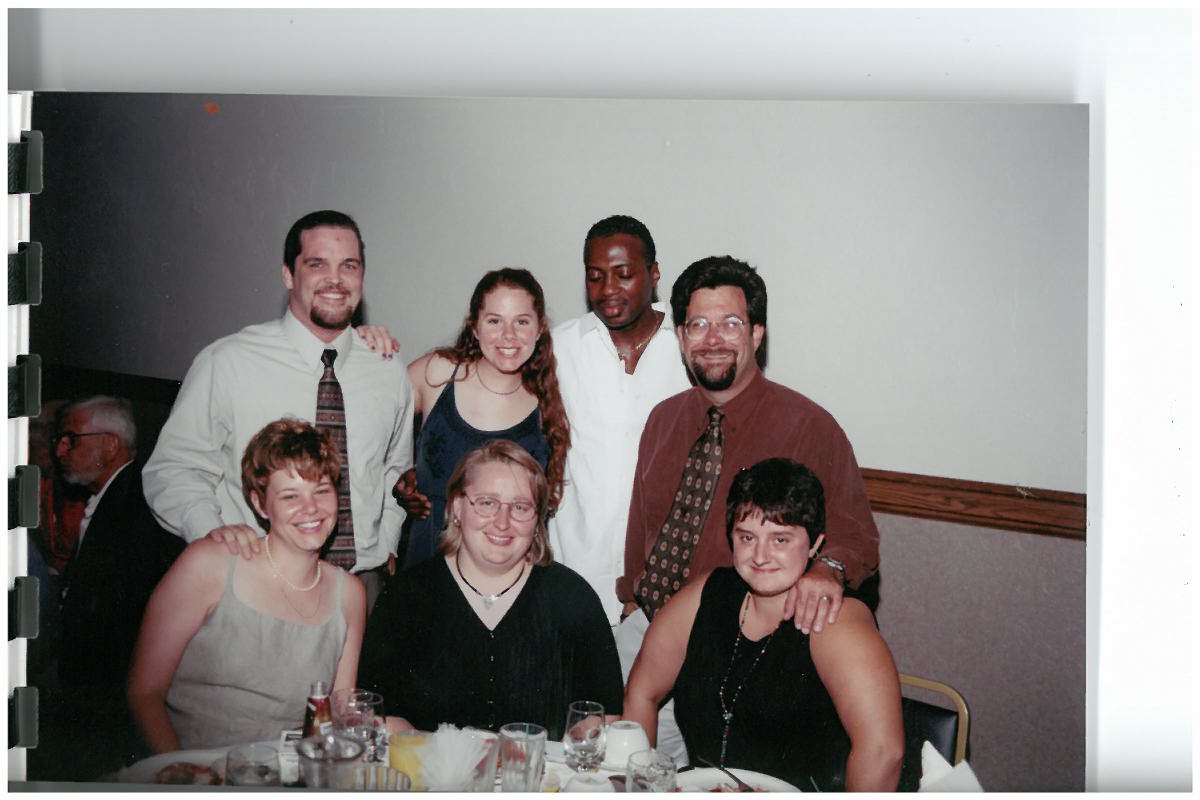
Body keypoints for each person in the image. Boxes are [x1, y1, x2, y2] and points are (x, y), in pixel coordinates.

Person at [615, 255, 881, 763]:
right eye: (698, 324)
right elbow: (643, 523)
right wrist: (631, 597)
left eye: (730, 323)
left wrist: (828, 568)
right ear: (681, 337)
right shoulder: (663, 420)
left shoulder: (809, 427)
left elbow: (857, 535)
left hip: (732, 649)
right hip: (647, 636)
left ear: (757, 334)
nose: (712, 338)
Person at [142, 210, 413, 611]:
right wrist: (217, 537)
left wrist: (386, 544)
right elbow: (173, 470)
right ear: (288, 274)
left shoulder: (387, 371)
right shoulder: (228, 362)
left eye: (349, 266)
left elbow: (395, 474)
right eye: (317, 264)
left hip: (361, 593)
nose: (335, 280)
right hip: (254, 580)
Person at [623, 459, 903, 791]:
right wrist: (640, 789)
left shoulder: (835, 620)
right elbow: (641, 692)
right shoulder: (706, 595)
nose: (760, 555)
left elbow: (884, 752)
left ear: (815, 544)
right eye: (747, 537)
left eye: (781, 540)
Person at [127, 418, 366, 753]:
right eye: (290, 496)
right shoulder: (211, 563)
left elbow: (338, 712)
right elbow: (143, 694)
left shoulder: (350, 593)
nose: (310, 508)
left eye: (321, 491)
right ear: (259, 503)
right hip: (194, 772)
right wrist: (184, 778)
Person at [359, 439, 621, 740]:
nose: (502, 522)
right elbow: (378, 716)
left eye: (520, 507)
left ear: (537, 520)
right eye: (487, 503)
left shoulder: (573, 599)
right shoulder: (405, 597)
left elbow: (602, 720)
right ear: (457, 507)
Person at [31, 396, 184, 780]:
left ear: (110, 444)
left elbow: (119, 624)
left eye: (71, 438)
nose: (60, 448)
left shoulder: (136, 505)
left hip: (105, 700)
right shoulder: (115, 495)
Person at [548, 215, 690, 625]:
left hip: (662, 589)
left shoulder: (689, 350)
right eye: (595, 276)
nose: (608, 290)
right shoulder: (560, 348)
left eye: (624, 275)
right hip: (571, 579)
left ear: (654, 273)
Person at [394, 268, 569, 569]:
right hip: (427, 566)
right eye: (494, 321)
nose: (508, 335)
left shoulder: (548, 401)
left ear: (540, 329)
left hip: (510, 576)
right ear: (474, 327)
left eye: (522, 322)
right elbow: (365, 425)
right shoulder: (437, 374)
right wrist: (394, 481)